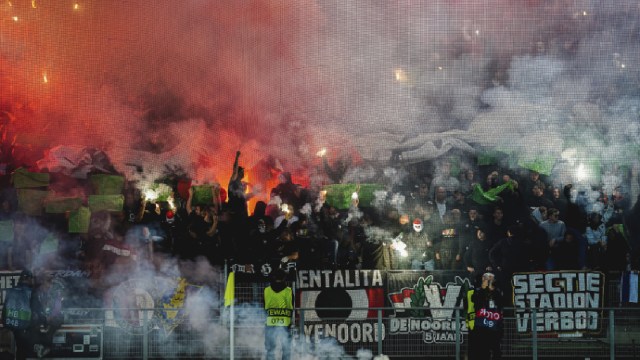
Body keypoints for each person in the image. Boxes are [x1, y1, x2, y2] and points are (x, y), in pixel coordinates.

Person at [1, 270, 50, 359]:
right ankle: (40, 347)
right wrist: (45, 322)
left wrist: (5, 323)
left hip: (13, 326)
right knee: (28, 350)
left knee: (20, 349)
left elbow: (5, 309)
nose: (32, 281)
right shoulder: (31, 292)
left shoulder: (11, 291)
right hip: (26, 327)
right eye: (31, 279)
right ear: (28, 279)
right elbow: (37, 309)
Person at [471, 272, 504, 360]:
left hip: (494, 326)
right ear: (483, 279)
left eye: (491, 278)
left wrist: (492, 289)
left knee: (496, 350)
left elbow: (501, 302)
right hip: (482, 327)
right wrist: (483, 288)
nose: (489, 280)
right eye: (487, 278)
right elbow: (474, 300)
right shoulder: (478, 290)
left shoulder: (497, 291)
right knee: (482, 350)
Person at [264, 269, 293, 360]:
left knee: (270, 349)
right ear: (284, 278)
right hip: (285, 323)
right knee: (286, 348)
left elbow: (264, 306)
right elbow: (290, 307)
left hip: (270, 322)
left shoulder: (266, 290)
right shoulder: (288, 291)